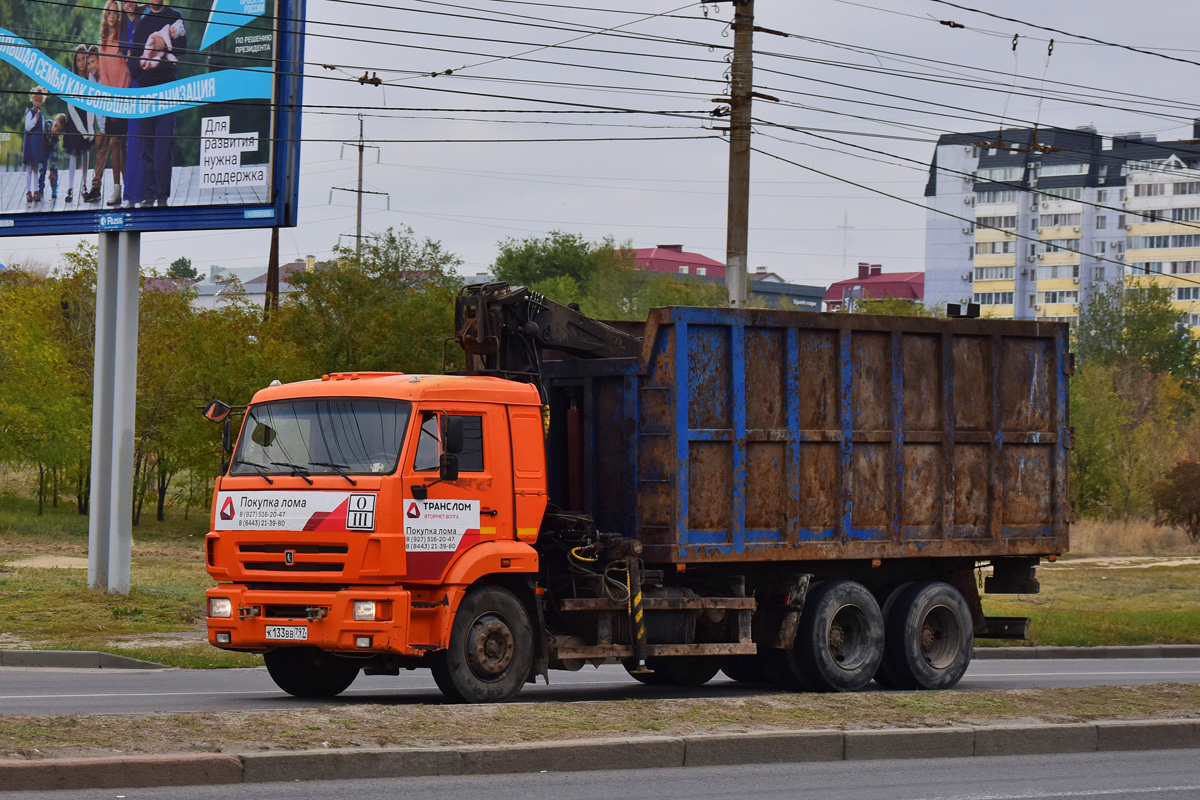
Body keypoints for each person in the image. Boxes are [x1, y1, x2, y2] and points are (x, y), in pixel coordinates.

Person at [126, 0, 185, 208]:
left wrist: (163, 46)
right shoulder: (143, 23)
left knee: (164, 145)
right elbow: (132, 60)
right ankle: (149, 195)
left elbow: (182, 48)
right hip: (146, 91)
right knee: (147, 146)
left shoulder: (174, 16)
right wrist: (144, 67)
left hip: (168, 89)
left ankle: (162, 196)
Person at [61, 44, 96, 204]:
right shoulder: (71, 78)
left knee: (85, 150)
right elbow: (71, 107)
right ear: (75, 62)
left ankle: (84, 184)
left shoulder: (91, 79)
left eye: (84, 59)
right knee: (74, 153)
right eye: (78, 60)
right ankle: (70, 187)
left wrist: (89, 129)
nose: (81, 63)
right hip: (75, 120)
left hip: (87, 118)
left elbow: (91, 106)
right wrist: (82, 130)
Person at [118, 0, 143, 206]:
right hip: (127, 84)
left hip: (145, 80)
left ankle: (147, 193)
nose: (130, 4)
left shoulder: (145, 16)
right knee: (130, 140)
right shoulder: (118, 23)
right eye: (125, 1)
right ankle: (130, 193)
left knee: (145, 139)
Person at [22, 86, 48, 205]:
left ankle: (36, 190)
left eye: (40, 101)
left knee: (36, 168)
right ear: (33, 100)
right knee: (29, 169)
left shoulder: (41, 114)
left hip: (38, 144)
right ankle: (29, 191)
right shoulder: (30, 113)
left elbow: (42, 128)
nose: (38, 103)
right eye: (36, 101)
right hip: (30, 144)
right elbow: (27, 127)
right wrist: (34, 120)